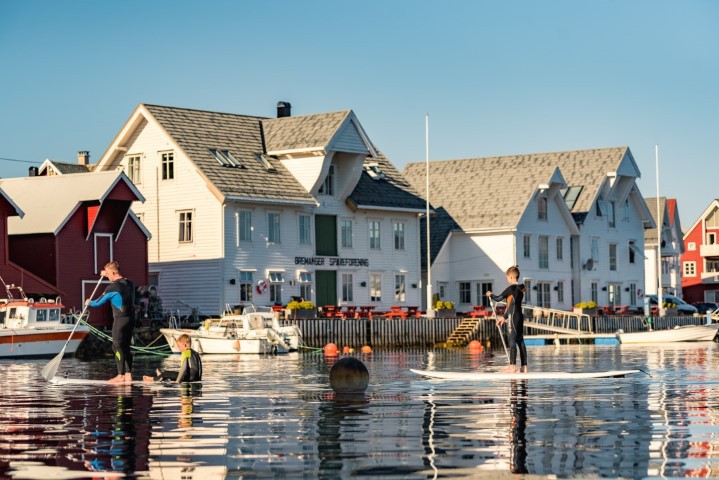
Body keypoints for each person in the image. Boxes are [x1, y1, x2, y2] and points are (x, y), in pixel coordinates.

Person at [86, 261, 136, 384]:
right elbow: (115, 276)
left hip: (120, 320)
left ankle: (120, 375)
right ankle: (128, 374)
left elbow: (98, 303)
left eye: (108, 274)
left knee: (117, 346)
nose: (107, 276)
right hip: (131, 319)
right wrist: (105, 272)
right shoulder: (130, 283)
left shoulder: (112, 287)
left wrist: (89, 302)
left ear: (113, 272)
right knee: (126, 347)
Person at [486, 265, 527, 373]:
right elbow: (512, 306)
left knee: (512, 340)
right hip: (519, 317)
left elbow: (498, 298)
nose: (507, 280)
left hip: (513, 318)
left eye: (507, 278)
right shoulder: (521, 288)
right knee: (520, 341)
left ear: (512, 277)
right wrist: (504, 318)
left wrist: (490, 294)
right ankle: (524, 367)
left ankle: (512, 366)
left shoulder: (511, 289)